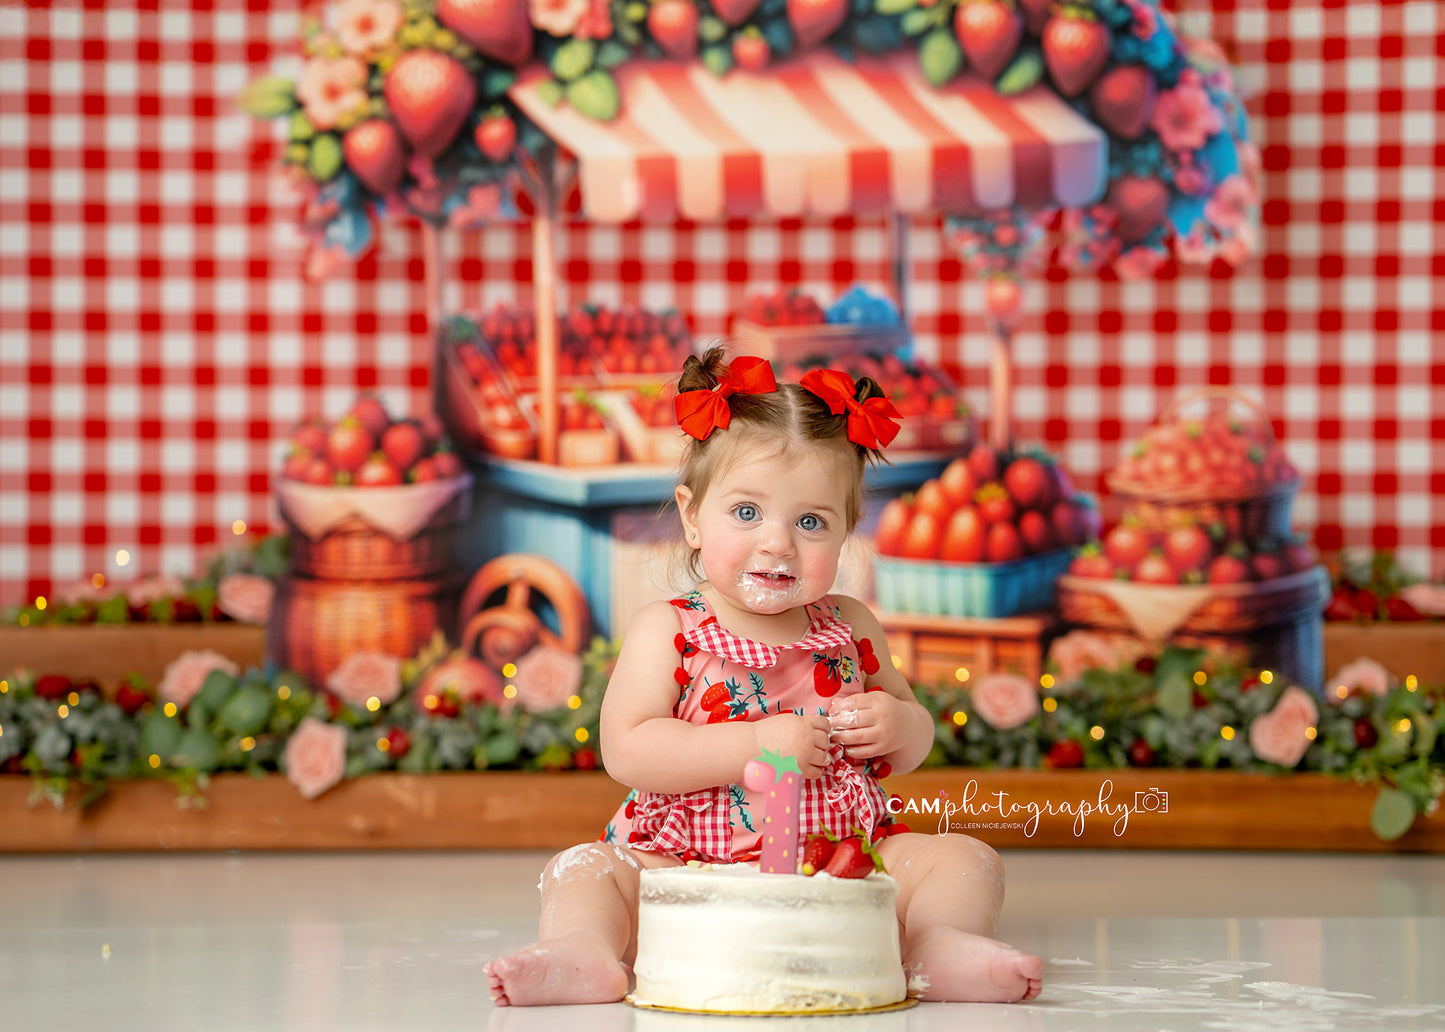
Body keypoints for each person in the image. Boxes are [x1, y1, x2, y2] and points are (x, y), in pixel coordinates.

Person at [485, 346, 1043, 1007]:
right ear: (692, 516)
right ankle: (584, 951)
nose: (778, 542)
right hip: (683, 865)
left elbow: (912, 740)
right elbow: (626, 749)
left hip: (841, 857)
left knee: (964, 860)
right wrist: (753, 744)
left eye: (810, 521)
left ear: (845, 532)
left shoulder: (851, 625)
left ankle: (938, 944)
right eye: (746, 512)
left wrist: (898, 725)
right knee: (584, 869)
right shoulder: (671, 629)